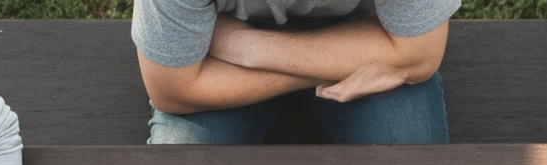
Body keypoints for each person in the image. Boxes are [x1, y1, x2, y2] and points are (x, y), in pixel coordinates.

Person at [132, 0, 460, 144]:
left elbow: (419, 55)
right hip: (364, 45)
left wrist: (249, 48)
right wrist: (340, 63)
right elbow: (173, 89)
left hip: (225, 51)